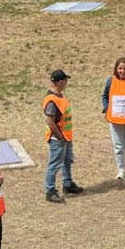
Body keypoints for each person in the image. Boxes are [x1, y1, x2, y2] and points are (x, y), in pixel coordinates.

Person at [42, 69, 84, 203]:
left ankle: (67, 184)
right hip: (58, 138)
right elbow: (50, 122)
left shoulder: (59, 96)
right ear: (60, 82)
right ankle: (50, 192)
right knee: (54, 165)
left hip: (66, 136)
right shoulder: (52, 100)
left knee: (67, 161)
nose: (67, 83)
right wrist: (60, 137)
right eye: (66, 80)